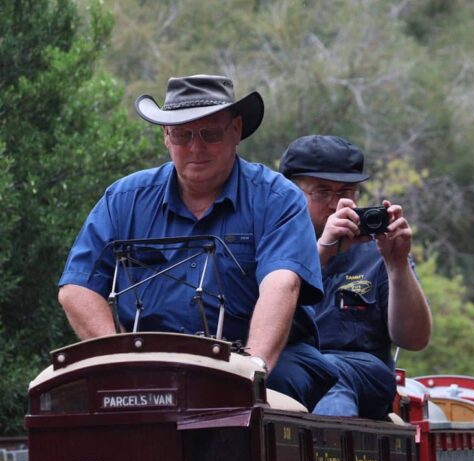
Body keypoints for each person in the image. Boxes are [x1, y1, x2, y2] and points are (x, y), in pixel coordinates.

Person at [58, 74, 337, 409]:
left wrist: (251, 370)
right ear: (165, 136)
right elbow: (77, 288)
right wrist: (121, 363)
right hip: (152, 361)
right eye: (182, 134)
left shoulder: (278, 198)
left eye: (210, 133)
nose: (195, 147)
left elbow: (282, 284)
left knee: (267, 395)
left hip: (264, 358)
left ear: (236, 130)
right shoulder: (124, 199)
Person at [279, 135, 432, 419]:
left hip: (362, 371)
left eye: (346, 193)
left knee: (329, 376)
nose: (336, 205)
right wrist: (322, 251)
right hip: (289, 366)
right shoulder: (271, 244)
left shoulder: (376, 251)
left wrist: (397, 264)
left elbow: (414, 339)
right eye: (322, 192)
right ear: (288, 192)